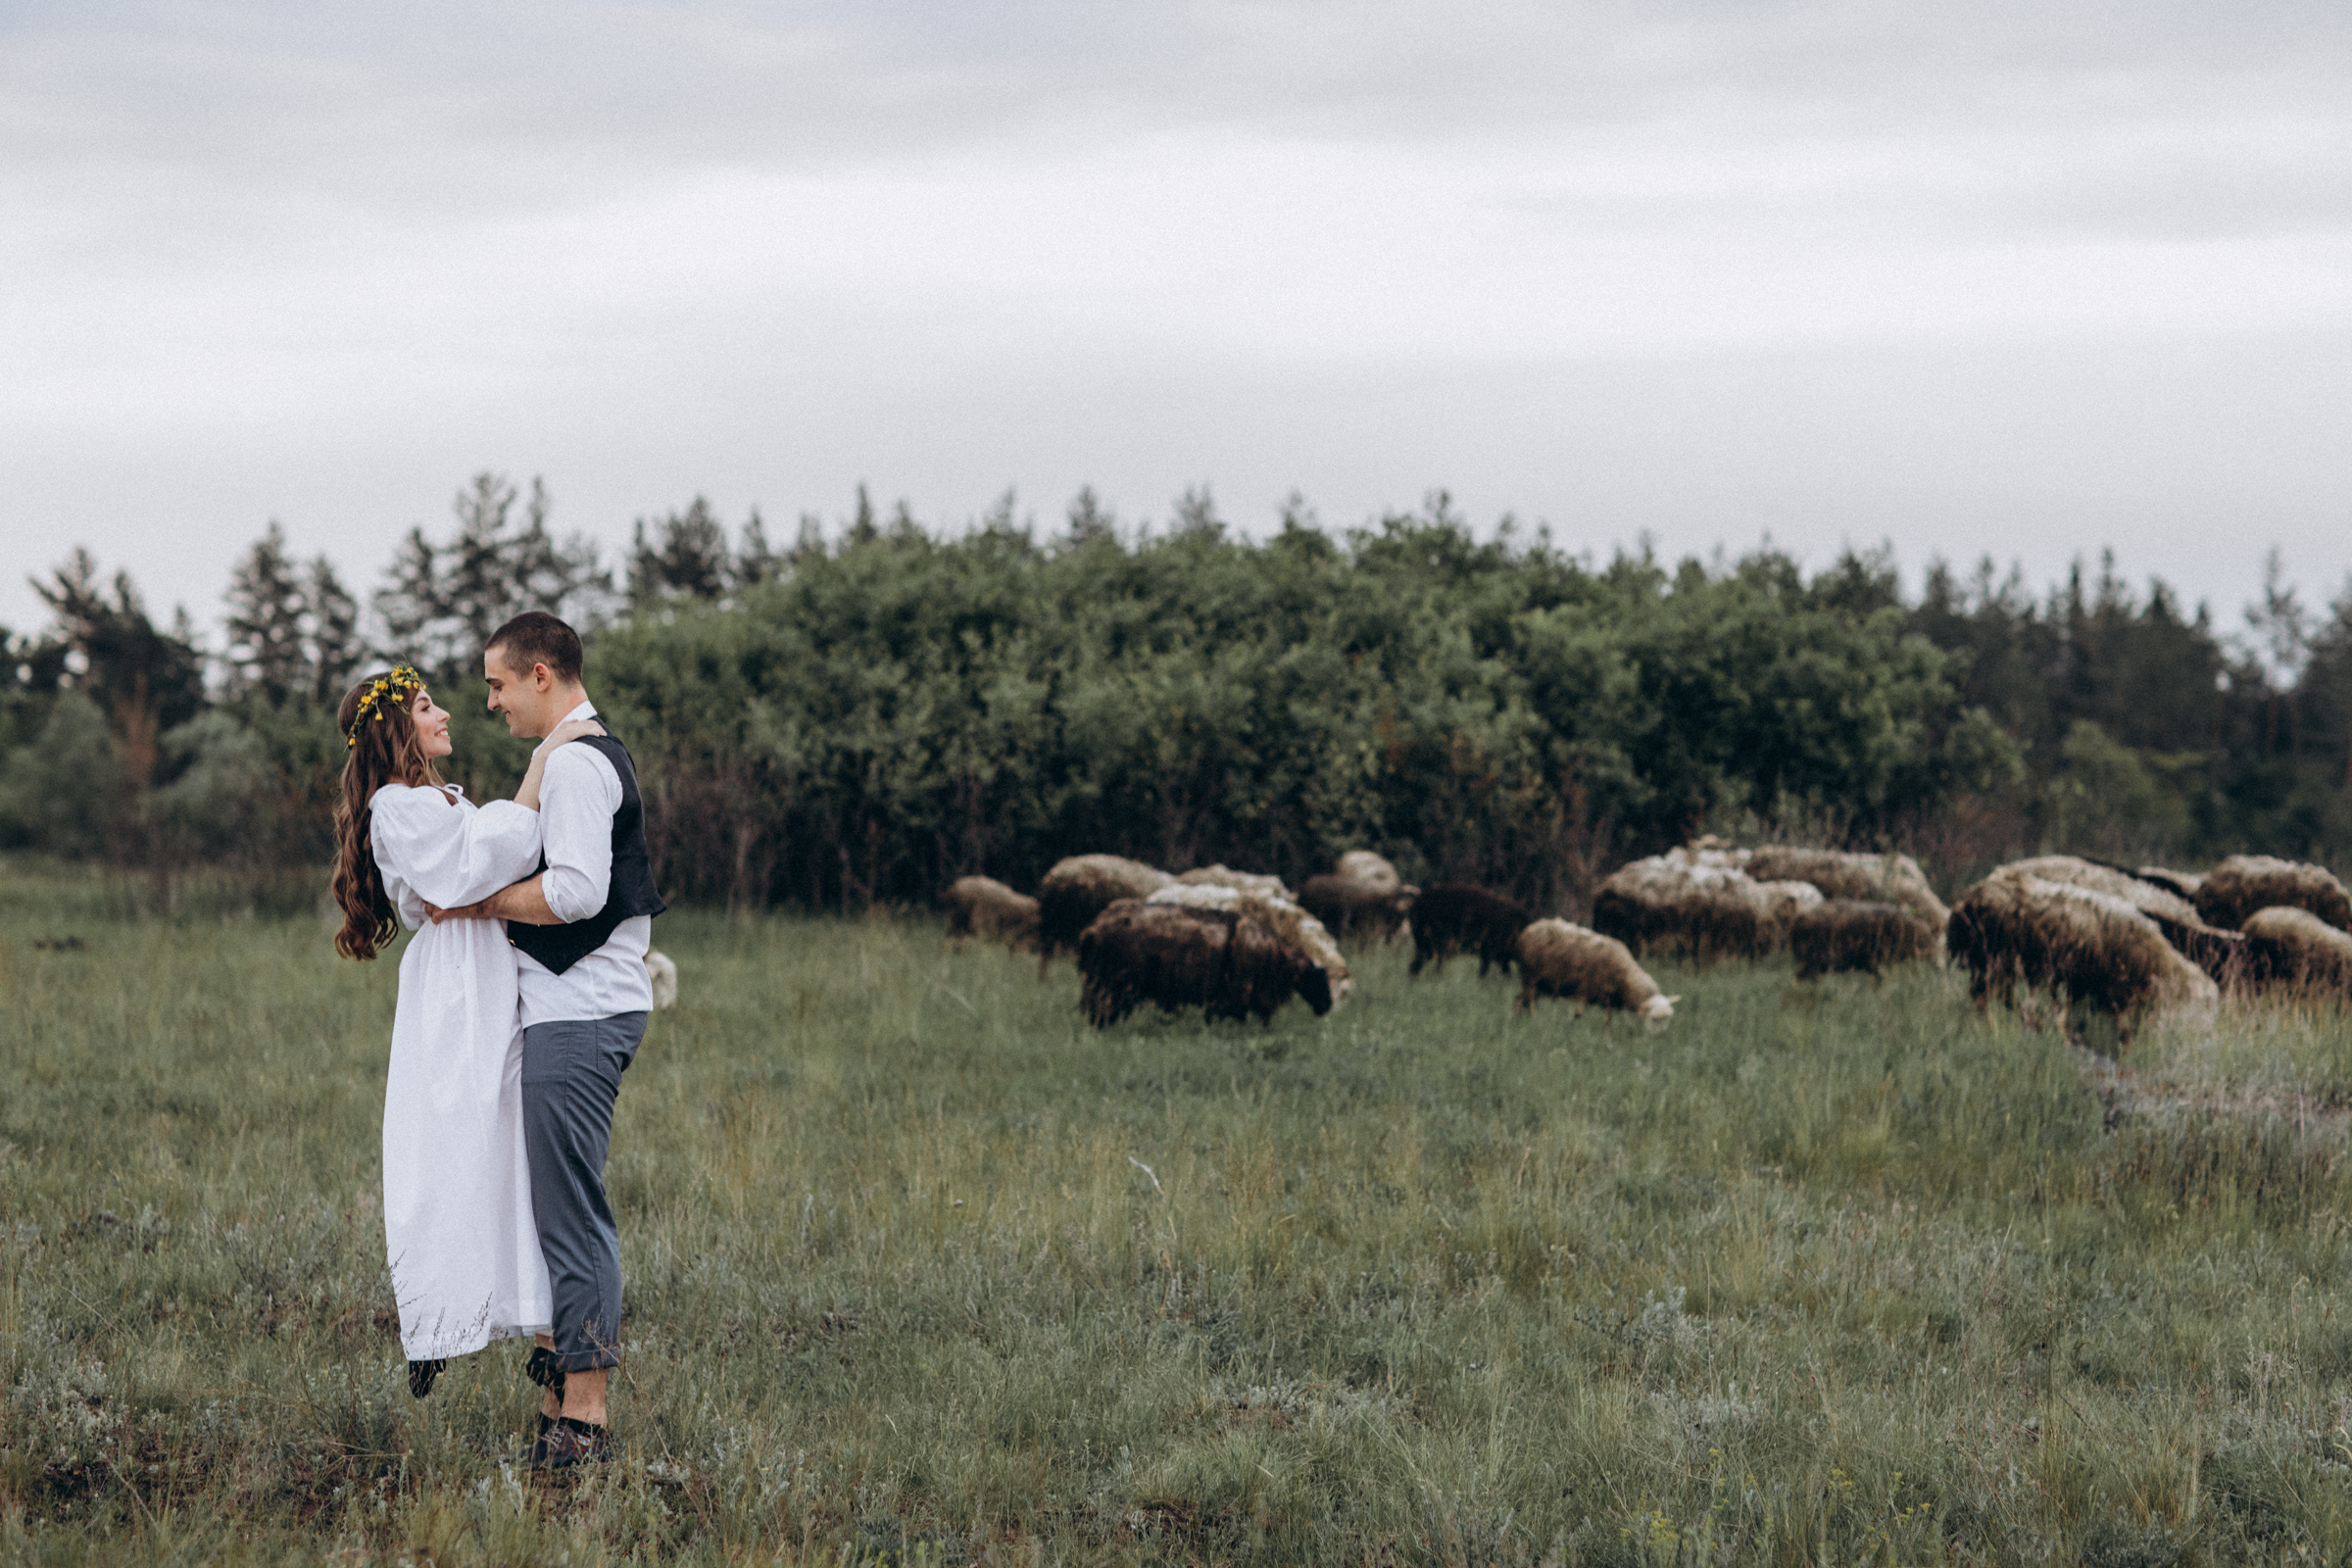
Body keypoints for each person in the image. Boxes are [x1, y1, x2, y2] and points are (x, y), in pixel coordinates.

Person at [424, 612, 666, 1471]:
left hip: (582, 1014)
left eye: (496, 684)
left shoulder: (574, 765)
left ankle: (587, 1419)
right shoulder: (571, 754)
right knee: (553, 1204)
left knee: (571, 1211)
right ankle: (562, 1396)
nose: (488, 702)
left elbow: (572, 893)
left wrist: (480, 903)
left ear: (539, 674)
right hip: (573, 1011)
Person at [328, 665, 605, 1402]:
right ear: (396, 729)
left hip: (488, 972)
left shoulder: (436, 798)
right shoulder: (397, 805)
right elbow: (484, 859)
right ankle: (438, 1320)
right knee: (453, 1148)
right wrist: (542, 765)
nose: (446, 714)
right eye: (427, 707)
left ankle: (535, 1324)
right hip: (455, 989)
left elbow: (490, 857)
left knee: (508, 1152)